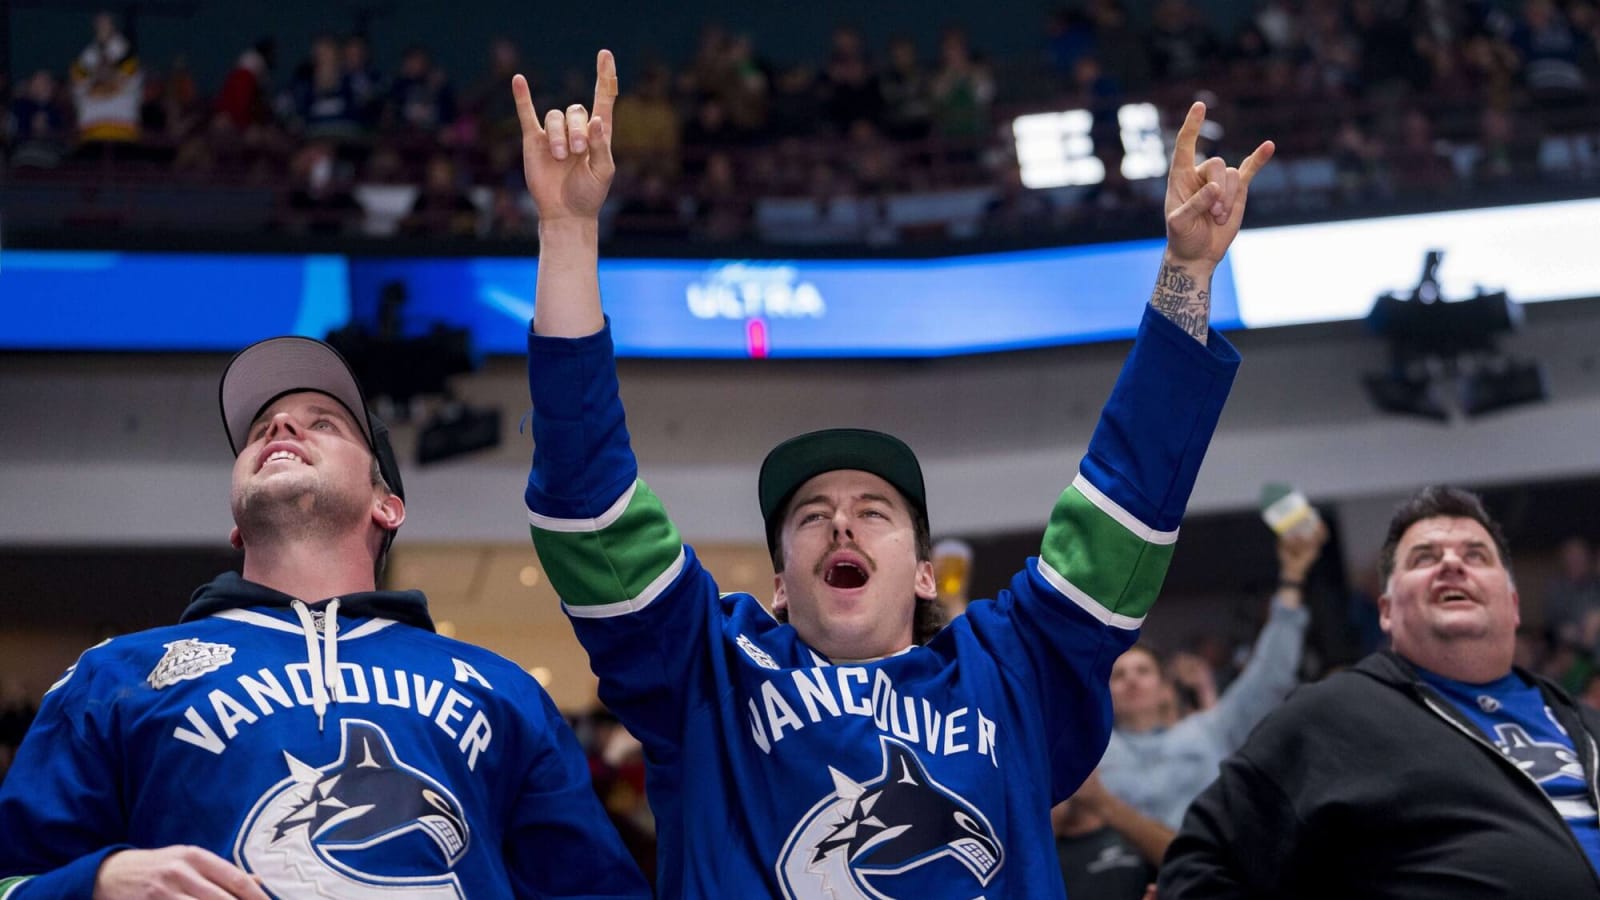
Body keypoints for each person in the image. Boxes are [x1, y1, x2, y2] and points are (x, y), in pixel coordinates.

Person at [515, 49, 1271, 897]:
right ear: (776, 587)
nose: (841, 522)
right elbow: (589, 502)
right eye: (811, 516)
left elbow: (1124, 508)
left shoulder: (1007, 670)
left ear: (921, 572)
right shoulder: (709, 673)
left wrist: (1187, 277)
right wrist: (569, 232)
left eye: (875, 510)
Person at [0, 337, 649, 898]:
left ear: (387, 505)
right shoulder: (113, 676)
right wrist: (98, 883)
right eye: (262, 429)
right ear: (236, 524)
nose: (281, 427)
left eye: (324, 423)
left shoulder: (502, 691)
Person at [1161, 486, 1600, 899]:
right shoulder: (1332, 716)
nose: (1452, 563)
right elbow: (1199, 866)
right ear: (1387, 612)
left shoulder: (1586, 723)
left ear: (1513, 603)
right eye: (1424, 558)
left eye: (1476, 555)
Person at [1097, 520, 1324, 833]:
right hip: (1126, 875)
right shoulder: (1093, 756)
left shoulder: (1209, 731)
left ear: (1166, 690)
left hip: (1211, 867)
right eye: (1119, 675)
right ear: (1105, 695)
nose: (1131, 680)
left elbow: (1269, 675)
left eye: (1143, 671)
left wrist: (1293, 578)